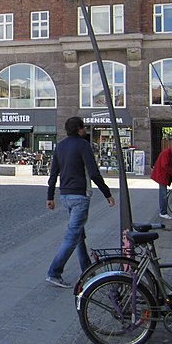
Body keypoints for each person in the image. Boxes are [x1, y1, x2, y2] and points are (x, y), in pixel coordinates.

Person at [45, 116, 115, 288]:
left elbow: (53, 174)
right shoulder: (83, 145)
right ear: (79, 129)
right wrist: (107, 194)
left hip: (65, 196)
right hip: (79, 196)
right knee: (72, 236)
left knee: (78, 235)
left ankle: (87, 269)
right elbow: (93, 172)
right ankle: (54, 272)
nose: (85, 130)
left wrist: (50, 197)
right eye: (84, 127)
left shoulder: (60, 146)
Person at [150, 141, 172, 220]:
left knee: (163, 194)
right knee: (163, 195)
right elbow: (165, 165)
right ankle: (163, 212)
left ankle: (163, 211)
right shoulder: (167, 153)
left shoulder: (171, 153)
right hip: (162, 175)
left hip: (163, 175)